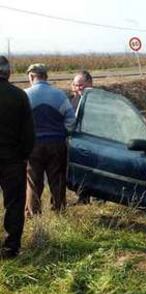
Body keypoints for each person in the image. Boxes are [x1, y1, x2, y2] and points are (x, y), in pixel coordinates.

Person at [25, 63, 76, 216]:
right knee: (57, 179)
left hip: (33, 144)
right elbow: (71, 120)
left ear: (32, 76)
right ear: (45, 76)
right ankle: (59, 212)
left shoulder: (25, 94)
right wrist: (63, 132)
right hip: (56, 144)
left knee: (33, 181)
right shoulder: (59, 94)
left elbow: (18, 121)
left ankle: (34, 215)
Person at [0, 56, 35, 258]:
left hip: (12, 157)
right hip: (12, 160)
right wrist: (23, 156)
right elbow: (29, 134)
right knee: (14, 203)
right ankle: (11, 247)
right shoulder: (19, 96)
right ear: (8, 72)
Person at [71, 71, 93, 204]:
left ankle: (96, 197)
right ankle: (83, 197)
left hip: (93, 142)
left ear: (90, 83)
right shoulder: (73, 100)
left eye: (81, 85)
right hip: (77, 143)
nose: (78, 88)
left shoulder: (98, 100)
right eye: (76, 85)